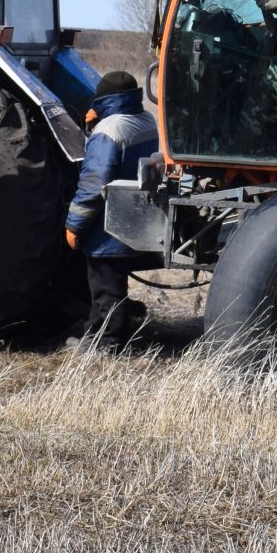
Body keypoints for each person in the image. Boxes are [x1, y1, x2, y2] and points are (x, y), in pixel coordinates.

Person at [65, 70, 162, 353]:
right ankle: (95, 333)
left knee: (106, 284)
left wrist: (75, 225)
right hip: (138, 217)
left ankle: (108, 344)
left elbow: (95, 183)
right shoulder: (147, 119)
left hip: (108, 225)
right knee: (111, 282)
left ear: (105, 100)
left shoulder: (108, 131)